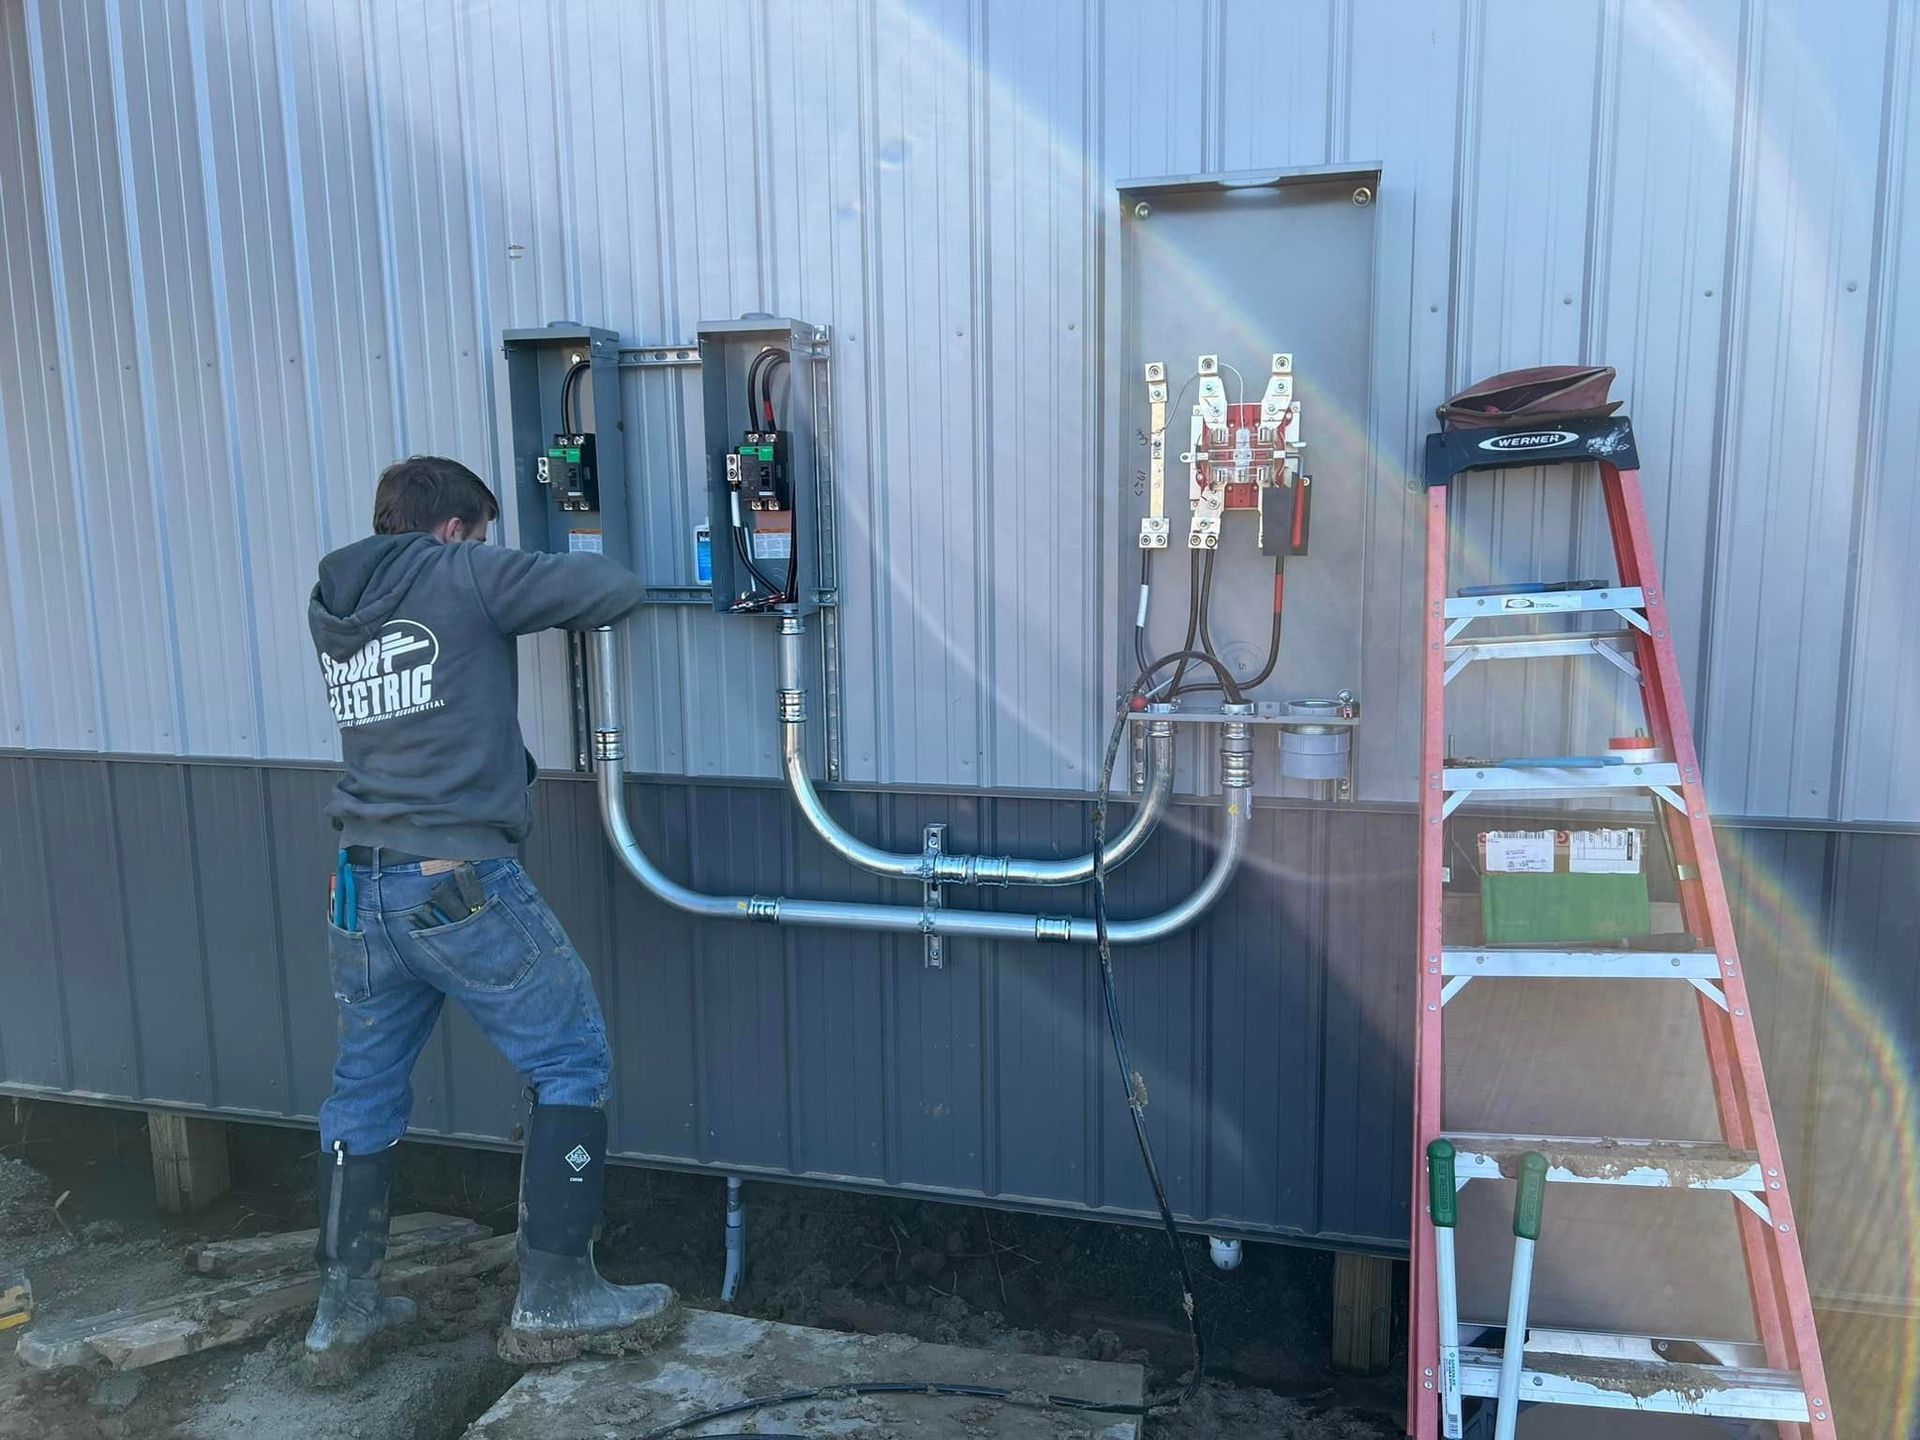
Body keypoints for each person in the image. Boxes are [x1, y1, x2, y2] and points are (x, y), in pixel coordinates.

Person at [302, 455, 672, 1384]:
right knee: (570, 1057)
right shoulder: (459, 570)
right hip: (454, 877)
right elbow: (610, 586)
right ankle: (557, 1298)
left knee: (362, 1090)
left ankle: (340, 1318)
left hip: (361, 886)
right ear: (457, 527)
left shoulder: (334, 600)